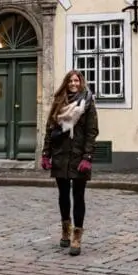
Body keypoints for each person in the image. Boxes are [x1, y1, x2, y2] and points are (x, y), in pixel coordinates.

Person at [41, 69, 99, 256]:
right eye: (70, 81)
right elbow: (50, 128)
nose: (74, 83)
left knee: (79, 196)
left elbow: (92, 131)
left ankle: (77, 236)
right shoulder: (59, 101)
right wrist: (45, 153)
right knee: (63, 195)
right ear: (66, 83)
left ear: (81, 82)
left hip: (79, 155)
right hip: (60, 154)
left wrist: (87, 157)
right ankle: (65, 228)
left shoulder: (87, 103)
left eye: (77, 80)